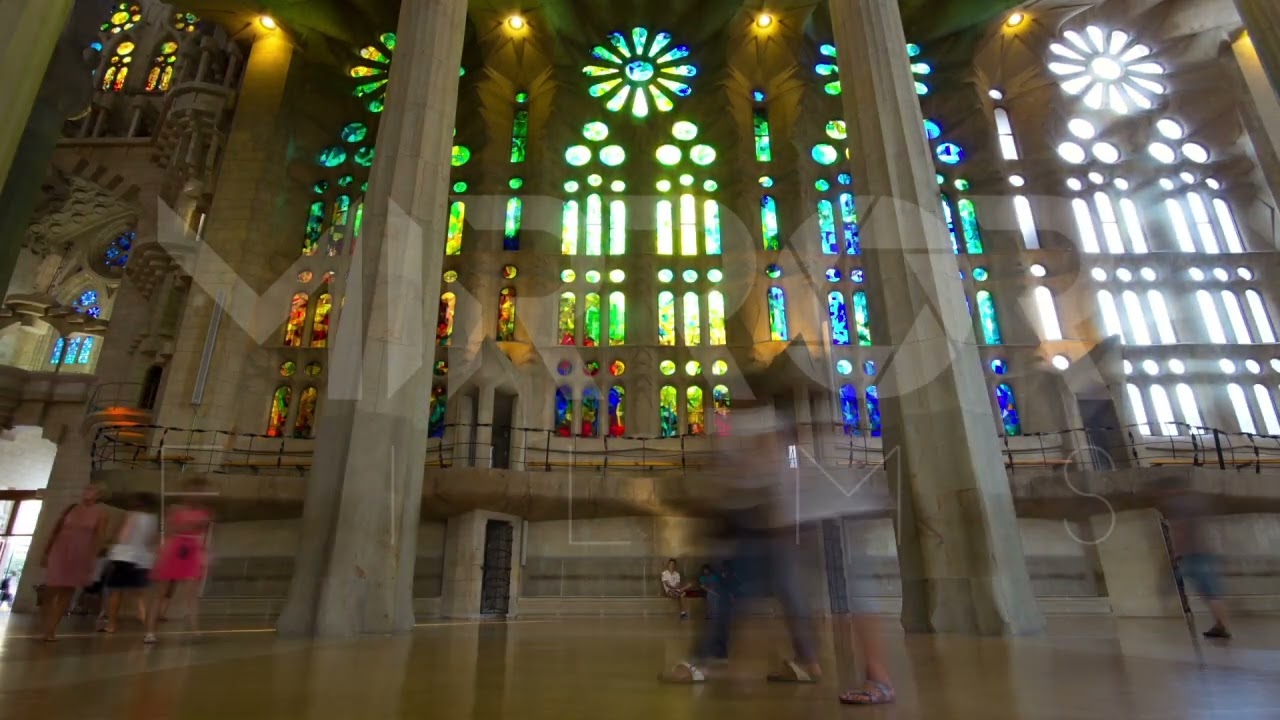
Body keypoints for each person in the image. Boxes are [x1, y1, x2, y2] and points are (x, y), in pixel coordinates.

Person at [1160, 477, 1231, 639]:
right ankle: (1220, 625)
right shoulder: (1193, 503)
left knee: (1208, 591)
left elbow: (1182, 529)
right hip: (1202, 552)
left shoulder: (1178, 505)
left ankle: (1222, 625)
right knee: (1209, 591)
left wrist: (1177, 552)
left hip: (1195, 554)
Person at [144, 478, 212, 644]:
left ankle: (195, 630)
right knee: (160, 593)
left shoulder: (205, 513)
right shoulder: (174, 509)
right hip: (174, 548)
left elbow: (204, 536)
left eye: (199, 492)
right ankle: (150, 632)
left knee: (192, 594)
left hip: (192, 551)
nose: (195, 495)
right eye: (193, 491)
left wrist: (204, 555)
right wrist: (160, 555)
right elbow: (168, 531)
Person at [39, 483, 110, 641]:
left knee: (67, 590)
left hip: (81, 553)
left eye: (92, 489)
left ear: (99, 495)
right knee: (51, 589)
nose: (87, 491)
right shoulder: (71, 508)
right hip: (60, 550)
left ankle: (51, 630)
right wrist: (46, 551)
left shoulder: (101, 513)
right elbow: (55, 530)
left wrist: (93, 558)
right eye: (86, 488)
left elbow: (100, 537)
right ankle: (46, 623)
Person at [100, 495, 158, 633]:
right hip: (143, 559)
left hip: (124, 556)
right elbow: (151, 540)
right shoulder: (152, 519)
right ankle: (146, 623)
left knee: (116, 591)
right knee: (140, 593)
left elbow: (123, 536)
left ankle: (111, 624)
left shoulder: (131, 515)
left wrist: (111, 544)